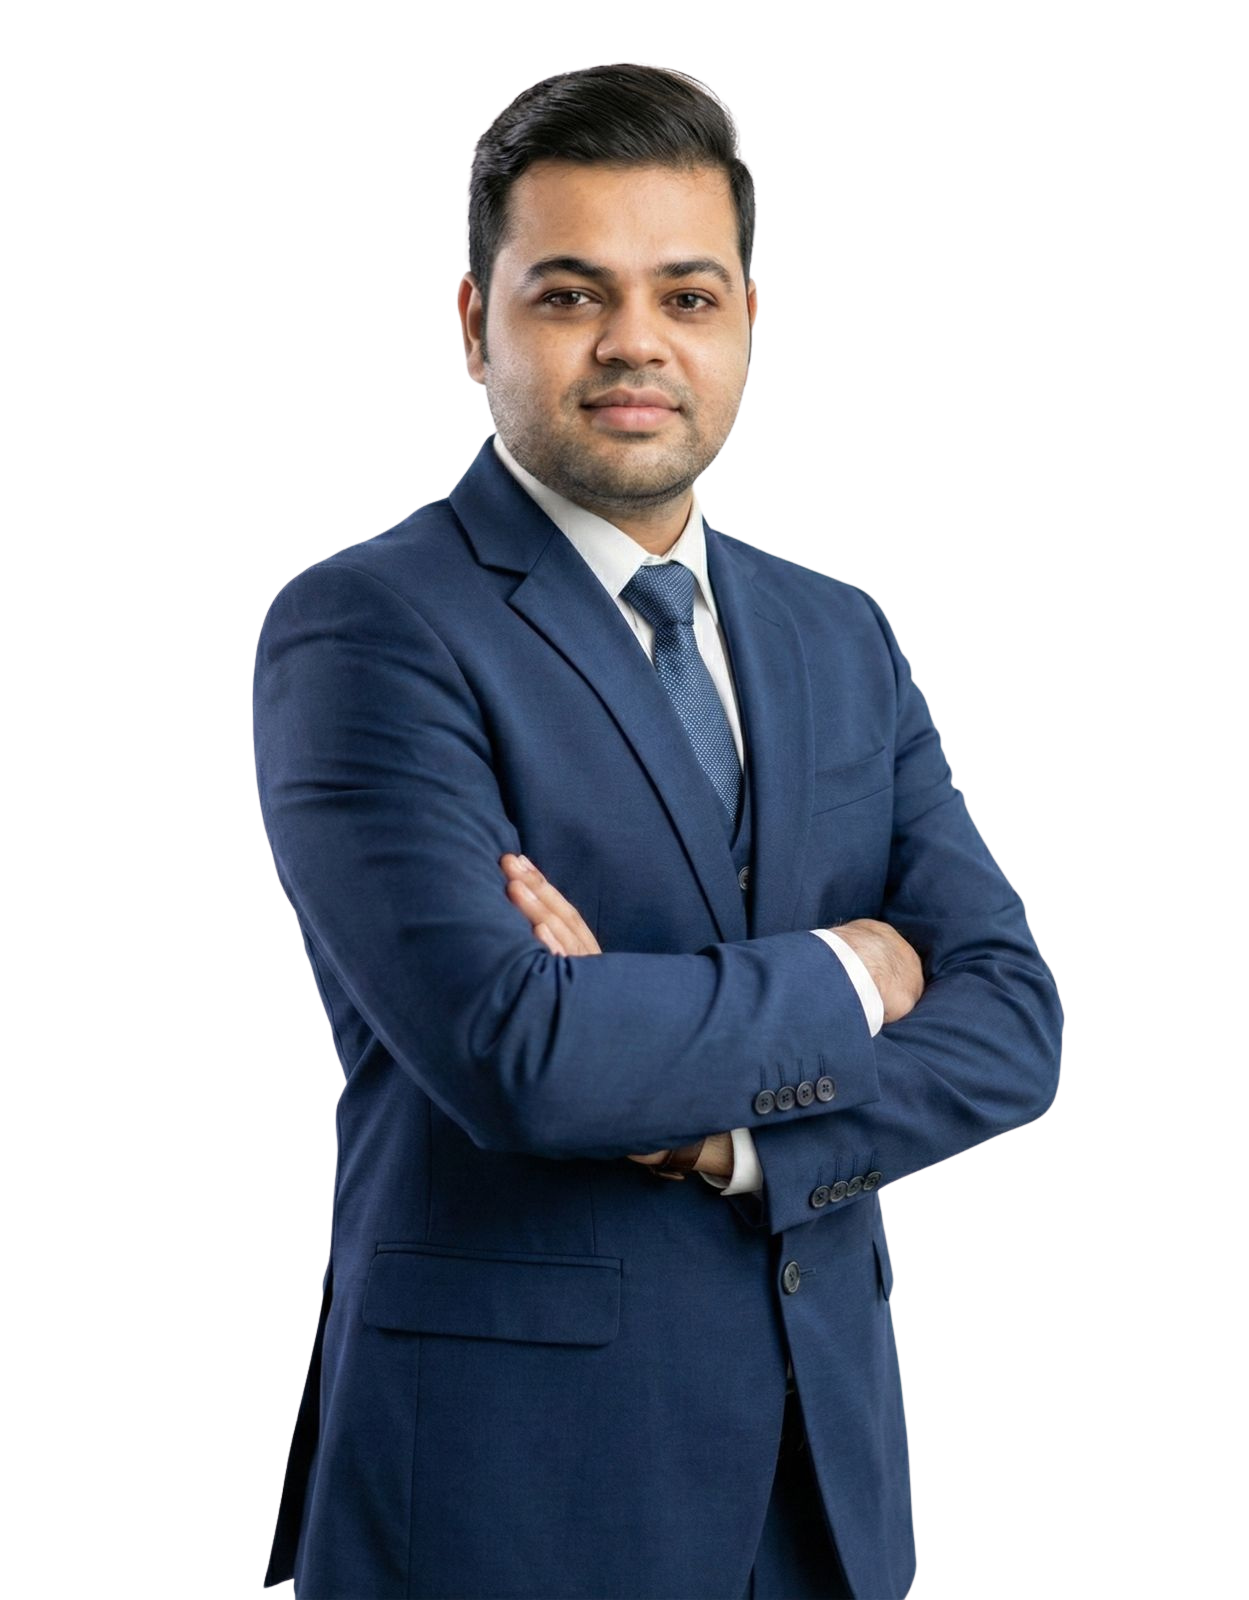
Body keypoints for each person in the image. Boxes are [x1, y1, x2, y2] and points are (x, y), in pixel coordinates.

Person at [254, 61, 1063, 1600]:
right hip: (516, 1500)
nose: (635, 341)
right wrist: (857, 968)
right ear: (474, 324)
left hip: (828, 1492)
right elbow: (518, 1051)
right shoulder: (367, 628)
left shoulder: (841, 632)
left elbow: (1016, 1021)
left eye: (686, 296)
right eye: (571, 295)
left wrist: (726, 1141)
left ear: (748, 318)